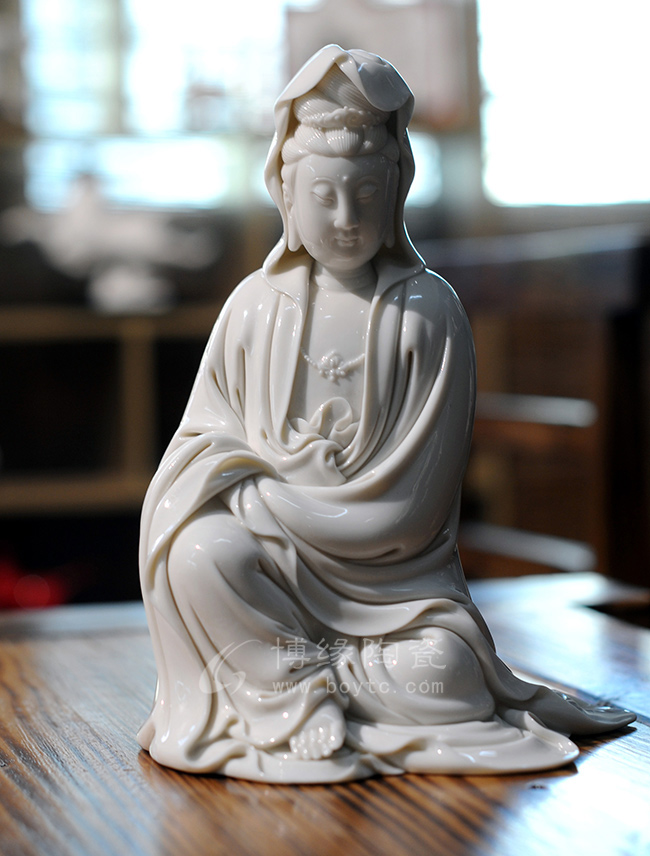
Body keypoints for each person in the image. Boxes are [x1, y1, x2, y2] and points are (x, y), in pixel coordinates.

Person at [138, 45, 633, 782]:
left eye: (366, 194)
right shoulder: (253, 307)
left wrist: (268, 497)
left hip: (396, 600)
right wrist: (263, 497)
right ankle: (293, 694)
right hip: (270, 570)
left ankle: (286, 678)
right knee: (198, 553)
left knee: (444, 672)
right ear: (286, 194)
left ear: (396, 192)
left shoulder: (429, 313)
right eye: (324, 195)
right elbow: (197, 453)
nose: (345, 219)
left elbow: (412, 515)